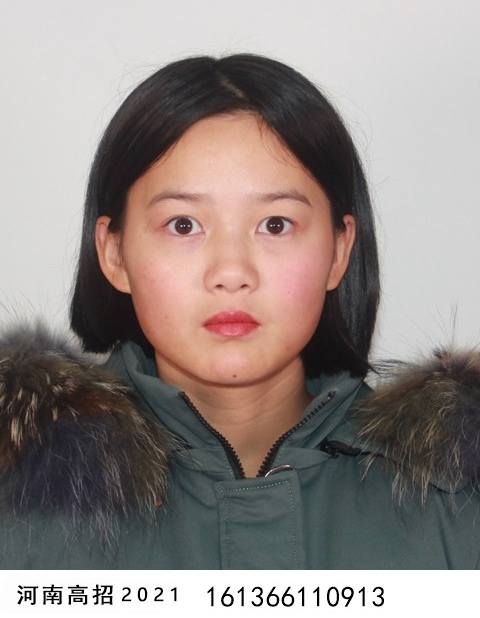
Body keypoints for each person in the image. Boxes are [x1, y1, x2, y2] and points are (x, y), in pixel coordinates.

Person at [0, 54, 479, 569]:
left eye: (275, 225)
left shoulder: (460, 497)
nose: (231, 272)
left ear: (339, 252)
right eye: (183, 225)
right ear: (113, 253)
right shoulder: (16, 490)